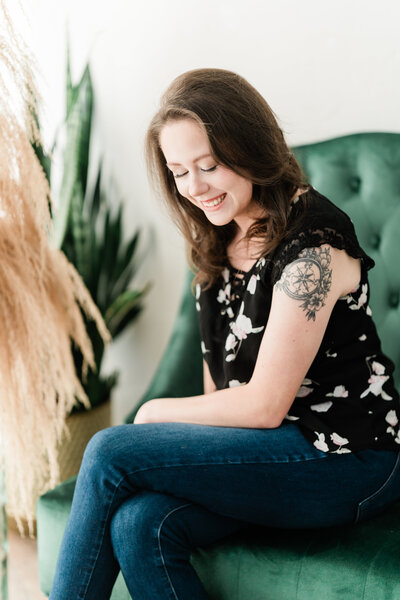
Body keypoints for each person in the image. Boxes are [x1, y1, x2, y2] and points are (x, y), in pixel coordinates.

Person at [49, 68, 400, 600]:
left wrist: (151, 416)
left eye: (209, 166)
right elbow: (222, 404)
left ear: (249, 147)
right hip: (274, 450)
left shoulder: (313, 248)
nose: (195, 188)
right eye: (179, 172)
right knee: (139, 523)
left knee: (109, 450)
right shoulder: (216, 248)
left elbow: (261, 406)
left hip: (352, 460)